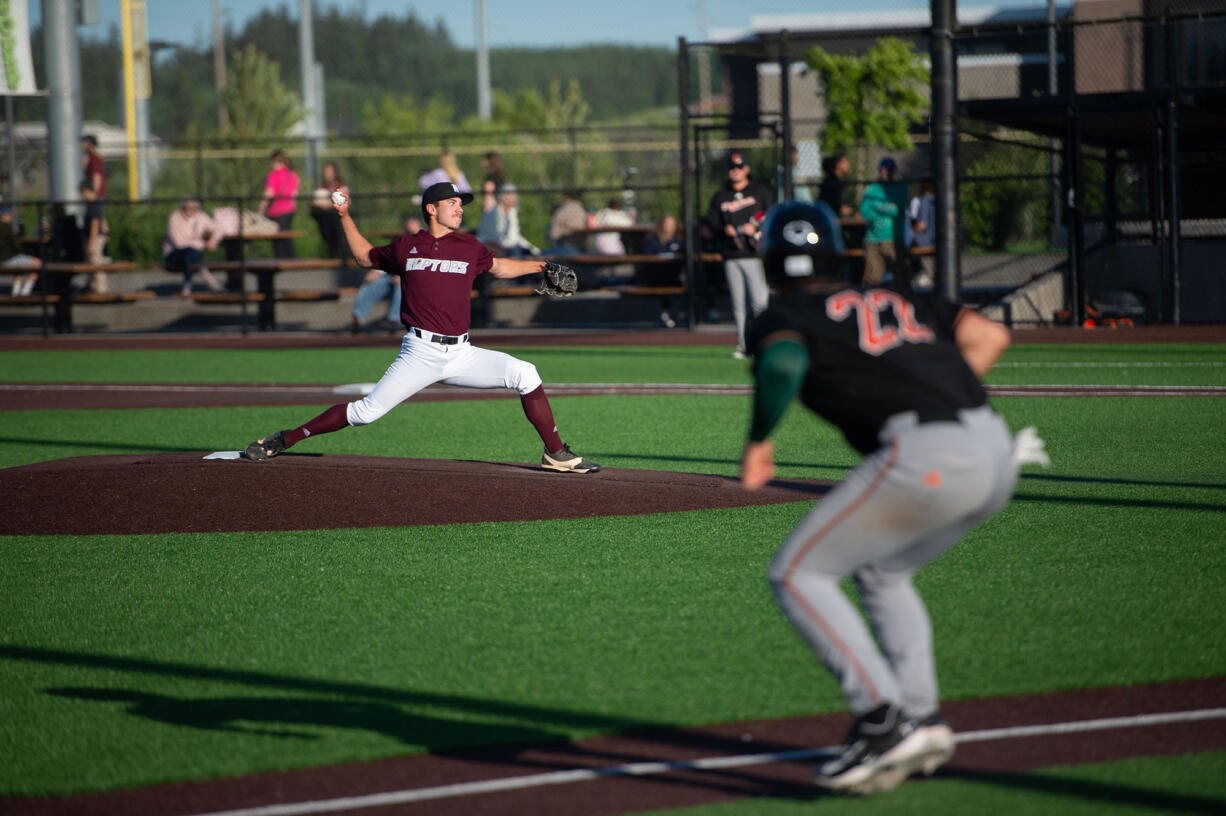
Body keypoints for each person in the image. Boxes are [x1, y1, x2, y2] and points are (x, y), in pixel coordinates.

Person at [741, 200, 1043, 796]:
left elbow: (782, 362)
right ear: (836, 251)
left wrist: (758, 443)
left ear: (771, 258)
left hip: (927, 452)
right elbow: (990, 335)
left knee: (798, 574)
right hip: (996, 445)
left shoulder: (784, 309)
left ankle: (881, 722)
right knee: (882, 573)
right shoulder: (899, 297)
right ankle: (920, 718)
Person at [242, 181, 600, 475]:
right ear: (432, 208)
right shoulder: (407, 246)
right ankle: (286, 438)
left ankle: (556, 453)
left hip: (462, 353)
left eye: (461, 204)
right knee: (366, 413)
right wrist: (344, 215)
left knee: (525, 373)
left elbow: (501, 267)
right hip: (420, 352)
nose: (460, 209)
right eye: (453, 203)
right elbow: (364, 256)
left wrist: (540, 266)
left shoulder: (469, 246)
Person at [705, 152, 773, 359]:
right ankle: (744, 345)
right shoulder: (721, 195)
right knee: (738, 303)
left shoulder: (759, 191)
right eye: (733, 168)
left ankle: (763, 342)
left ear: (747, 169)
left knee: (760, 302)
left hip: (754, 254)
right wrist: (724, 230)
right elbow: (712, 221)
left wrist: (755, 229)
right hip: (732, 254)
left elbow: (771, 216)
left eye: (739, 167)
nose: (736, 171)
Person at [349, 215, 422, 333]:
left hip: (412, 282)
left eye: (414, 231)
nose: (411, 234)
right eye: (408, 231)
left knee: (401, 284)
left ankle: (394, 320)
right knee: (371, 285)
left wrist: (402, 274)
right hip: (391, 278)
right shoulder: (400, 243)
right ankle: (357, 319)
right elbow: (386, 260)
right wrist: (376, 272)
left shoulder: (425, 245)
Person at [859, 157, 912, 294]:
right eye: (883, 169)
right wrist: (885, 207)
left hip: (893, 240)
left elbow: (897, 209)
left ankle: (906, 304)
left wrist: (877, 206)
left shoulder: (900, 188)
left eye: (889, 169)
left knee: (900, 276)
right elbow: (865, 212)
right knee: (872, 278)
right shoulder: (873, 188)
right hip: (873, 239)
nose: (886, 172)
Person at [162, 197, 224, 297]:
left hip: (191, 255)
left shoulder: (201, 216)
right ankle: (207, 276)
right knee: (190, 251)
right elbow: (179, 243)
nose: (190, 210)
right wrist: (204, 243)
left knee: (190, 255)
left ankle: (187, 286)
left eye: (194, 208)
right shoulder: (175, 217)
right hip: (174, 254)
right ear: (182, 207)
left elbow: (218, 229)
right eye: (187, 207)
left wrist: (213, 240)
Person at [642, 212, 685, 328]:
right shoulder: (653, 240)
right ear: (661, 225)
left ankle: (675, 313)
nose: (669, 227)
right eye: (667, 224)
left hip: (674, 275)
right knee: (664, 278)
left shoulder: (678, 241)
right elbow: (647, 257)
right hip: (657, 275)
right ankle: (666, 312)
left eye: (672, 224)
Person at [257, 149, 300, 258]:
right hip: (290, 211)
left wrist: (261, 209)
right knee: (286, 237)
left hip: (277, 211)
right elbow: (295, 194)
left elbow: (269, 193)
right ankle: (291, 261)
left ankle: (282, 262)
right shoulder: (292, 175)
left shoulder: (273, 175)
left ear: (273, 161)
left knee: (279, 240)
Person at [476, 183, 539, 257]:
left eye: (515, 195)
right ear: (503, 197)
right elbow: (497, 238)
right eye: (511, 195)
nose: (515, 198)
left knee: (530, 254)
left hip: (509, 248)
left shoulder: (512, 212)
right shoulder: (493, 213)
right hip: (493, 247)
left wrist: (533, 249)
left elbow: (516, 236)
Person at [310, 161, 351, 260]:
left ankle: (346, 260)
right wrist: (319, 204)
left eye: (329, 171)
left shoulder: (341, 186)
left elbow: (345, 200)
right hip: (325, 219)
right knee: (329, 240)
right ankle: (333, 258)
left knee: (341, 238)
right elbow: (313, 201)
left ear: (335, 172)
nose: (327, 174)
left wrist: (328, 204)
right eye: (326, 172)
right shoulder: (322, 187)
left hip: (338, 218)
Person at [81, 135, 110, 268]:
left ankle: (103, 235)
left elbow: (96, 177)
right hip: (96, 197)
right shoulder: (91, 158)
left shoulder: (94, 158)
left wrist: (94, 193)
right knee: (100, 220)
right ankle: (104, 233)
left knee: (96, 219)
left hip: (96, 197)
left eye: (84, 143)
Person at [1, 204, 42, 296]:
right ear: (6, 215)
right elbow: (16, 247)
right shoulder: (7, 228)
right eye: (10, 215)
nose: (11, 217)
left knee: (18, 265)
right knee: (38, 263)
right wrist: (16, 235)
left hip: (5, 259)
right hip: (6, 260)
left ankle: (16, 291)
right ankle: (26, 291)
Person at [908, 179, 936, 289]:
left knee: (906, 245)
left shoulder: (925, 200)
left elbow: (922, 225)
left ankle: (920, 274)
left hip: (926, 239)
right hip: (938, 239)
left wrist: (911, 230)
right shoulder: (939, 200)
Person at [544, 190, 589, 255]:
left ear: (566, 197)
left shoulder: (562, 210)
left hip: (566, 248)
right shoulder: (583, 210)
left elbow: (553, 235)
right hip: (582, 250)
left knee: (537, 257)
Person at [818, 152, 853, 219]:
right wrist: (841, 209)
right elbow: (836, 206)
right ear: (838, 165)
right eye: (845, 162)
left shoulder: (838, 180)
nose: (848, 165)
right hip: (829, 218)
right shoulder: (832, 181)